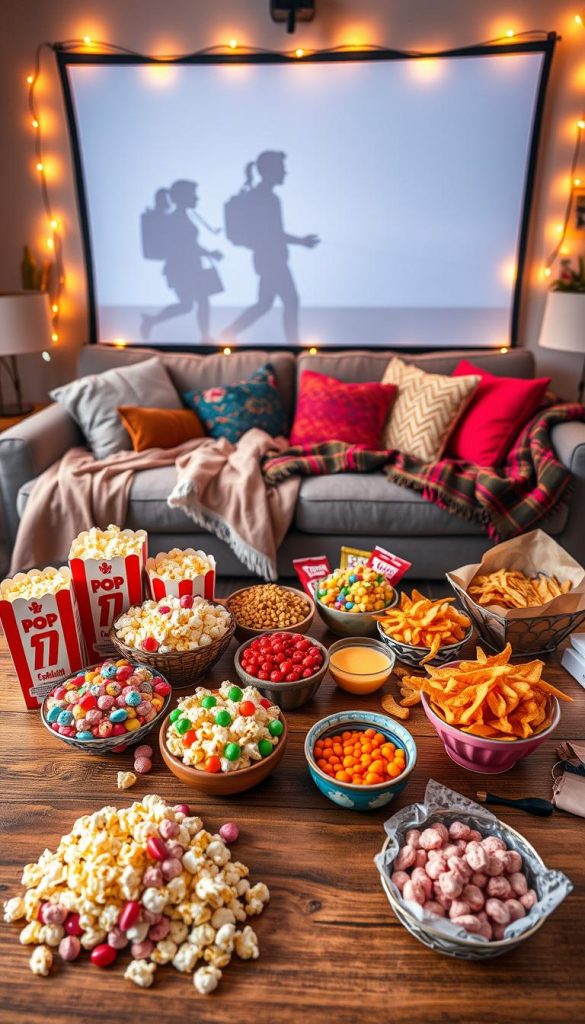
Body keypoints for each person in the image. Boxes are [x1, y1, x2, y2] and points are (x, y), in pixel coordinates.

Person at [221, 151, 320, 346]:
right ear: (270, 171)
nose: (285, 173)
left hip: (268, 258)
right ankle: (294, 344)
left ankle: (230, 331)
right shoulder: (266, 199)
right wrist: (302, 242)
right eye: (281, 169)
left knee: (265, 304)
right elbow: (274, 233)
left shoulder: (265, 197)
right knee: (291, 300)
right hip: (270, 258)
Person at [141, 179, 223, 344]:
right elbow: (186, 245)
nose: (197, 199)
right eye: (193, 195)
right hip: (182, 269)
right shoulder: (176, 219)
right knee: (190, 304)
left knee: (197, 302)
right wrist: (209, 253)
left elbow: (190, 244)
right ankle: (152, 321)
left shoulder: (183, 217)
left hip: (190, 267)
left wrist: (207, 253)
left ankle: (204, 336)